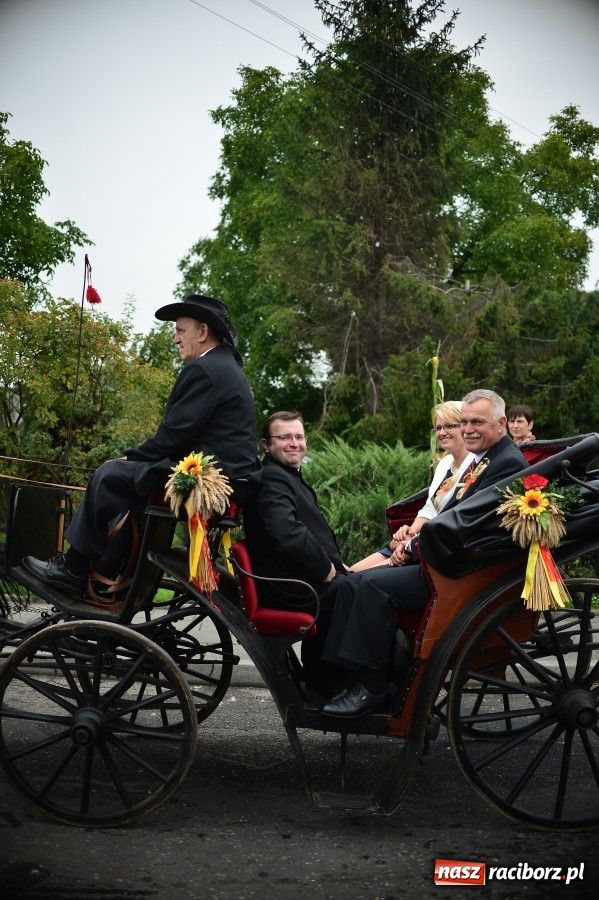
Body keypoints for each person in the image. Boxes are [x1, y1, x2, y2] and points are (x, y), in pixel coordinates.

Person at [24, 294, 259, 607]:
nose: (175, 337)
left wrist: (131, 457)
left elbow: (173, 435)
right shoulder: (224, 367)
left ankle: (75, 570)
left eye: (180, 330)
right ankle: (109, 571)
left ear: (202, 332)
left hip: (209, 481)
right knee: (124, 480)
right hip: (224, 477)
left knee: (108, 474)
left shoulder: (205, 370)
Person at [319, 389, 528, 718]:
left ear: (501, 423)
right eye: (466, 421)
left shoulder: (504, 464)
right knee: (353, 582)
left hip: (459, 574)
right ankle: (342, 676)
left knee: (370, 585)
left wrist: (414, 547)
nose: (469, 429)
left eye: (477, 422)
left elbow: (464, 524)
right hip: (449, 562)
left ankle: (372, 687)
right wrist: (413, 543)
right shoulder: (489, 458)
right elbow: (452, 514)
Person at [242, 410, 347, 693]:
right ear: (266, 445)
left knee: (364, 584)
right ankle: (332, 684)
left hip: (298, 578)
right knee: (365, 594)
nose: (294, 443)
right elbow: (287, 532)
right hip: (293, 586)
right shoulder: (272, 480)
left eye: (298, 437)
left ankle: (327, 678)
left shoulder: (285, 476)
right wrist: (325, 569)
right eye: (285, 437)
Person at [351, 401, 473, 571]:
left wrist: (411, 544)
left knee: (355, 581)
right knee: (350, 571)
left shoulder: (474, 467)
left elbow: (450, 519)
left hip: (431, 550)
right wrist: (409, 532)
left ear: (465, 427)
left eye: (449, 426)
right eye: (438, 428)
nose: (442, 433)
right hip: (414, 541)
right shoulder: (445, 463)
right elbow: (430, 509)